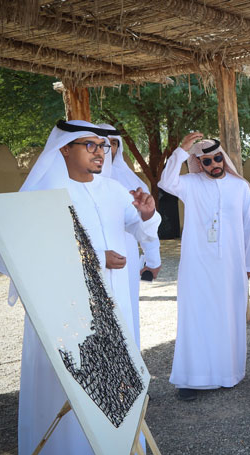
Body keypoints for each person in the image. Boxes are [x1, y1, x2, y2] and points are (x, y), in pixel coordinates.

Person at [0, 120, 160, 455]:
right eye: (90, 145)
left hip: (114, 311)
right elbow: (13, 253)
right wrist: (94, 258)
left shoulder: (114, 191)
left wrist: (148, 214)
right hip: (67, 316)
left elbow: (142, 232)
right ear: (65, 148)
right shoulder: (44, 194)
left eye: (103, 145)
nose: (100, 152)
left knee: (114, 385)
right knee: (70, 390)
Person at [159, 133, 250, 401]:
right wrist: (181, 150)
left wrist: (248, 264)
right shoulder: (190, 184)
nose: (214, 164)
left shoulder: (239, 187)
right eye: (207, 161)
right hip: (197, 265)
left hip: (231, 266)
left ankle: (227, 374)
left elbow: (249, 226)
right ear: (199, 164)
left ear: (223, 158)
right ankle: (192, 378)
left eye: (217, 158)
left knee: (227, 317)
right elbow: (165, 182)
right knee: (196, 317)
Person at [98, 123, 161, 347]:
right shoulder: (82, 180)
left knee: (126, 308)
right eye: (101, 143)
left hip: (127, 253)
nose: (107, 148)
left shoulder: (133, 181)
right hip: (94, 254)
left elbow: (144, 225)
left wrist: (153, 260)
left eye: (113, 143)